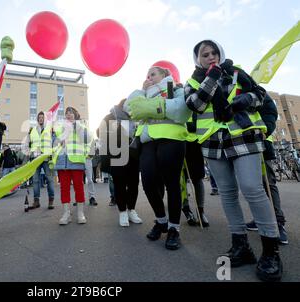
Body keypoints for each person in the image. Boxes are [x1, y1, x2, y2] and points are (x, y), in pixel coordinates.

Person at [185, 39, 282, 281]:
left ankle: (271, 251)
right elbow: (195, 104)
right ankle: (241, 246)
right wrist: (213, 75)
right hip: (212, 141)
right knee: (227, 194)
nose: (210, 56)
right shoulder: (193, 81)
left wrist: (242, 101)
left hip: (243, 136)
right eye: (204, 54)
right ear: (197, 59)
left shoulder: (237, 71)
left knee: (252, 188)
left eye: (214, 52)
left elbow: (260, 95)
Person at [127, 62, 192, 250]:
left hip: (172, 139)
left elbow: (181, 111)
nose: (149, 78)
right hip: (148, 140)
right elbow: (130, 108)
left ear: (164, 75)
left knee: (172, 184)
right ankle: (161, 221)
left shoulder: (177, 88)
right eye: (147, 75)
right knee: (147, 182)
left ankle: (174, 229)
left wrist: (147, 108)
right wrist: (144, 93)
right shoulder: (143, 92)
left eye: (153, 74)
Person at [246, 94, 288, 245]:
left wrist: (267, 130)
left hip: (263, 140)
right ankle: (260, 219)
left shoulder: (256, 89)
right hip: (242, 144)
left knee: (268, 183)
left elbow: (270, 110)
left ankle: (278, 223)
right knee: (252, 186)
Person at [98, 99, 142, 227]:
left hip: (133, 156)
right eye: (127, 105)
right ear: (121, 106)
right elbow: (99, 132)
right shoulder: (111, 117)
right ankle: (122, 212)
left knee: (134, 184)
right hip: (117, 156)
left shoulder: (136, 118)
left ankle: (131, 210)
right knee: (120, 184)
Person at [52, 107, 90, 225]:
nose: (68, 115)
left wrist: (76, 126)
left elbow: (87, 140)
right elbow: (55, 141)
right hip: (62, 161)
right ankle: (66, 213)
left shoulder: (81, 127)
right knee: (64, 187)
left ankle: (80, 213)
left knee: (78, 186)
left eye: (71, 113)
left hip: (77, 161)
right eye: (66, 113)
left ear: (75, 115)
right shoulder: (60, 128)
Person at [27, 112, 55, 210]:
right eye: (39, 117)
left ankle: (51, 200)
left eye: (42, 117)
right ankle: (36, 201)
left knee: (49, 179)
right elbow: (30, 143)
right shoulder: (33, 130)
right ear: (37, 119)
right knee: (35, 180)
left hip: (46, 157)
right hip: (35, 157)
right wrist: (29, 153)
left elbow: (54, 141)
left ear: (45, 119)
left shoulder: (49, 129)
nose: (41, 119)